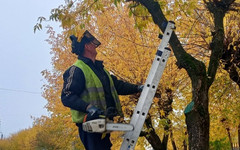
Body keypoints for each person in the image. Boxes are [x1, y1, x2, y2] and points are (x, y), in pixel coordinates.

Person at [61, 30, 143, 150]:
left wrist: (137, 88)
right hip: (89, 124)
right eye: (93, 44)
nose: (95, 47)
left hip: (103, 122)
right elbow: (67, 96)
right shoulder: (77, 69)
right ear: (87, 46)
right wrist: (89, 108)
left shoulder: (100, 70)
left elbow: (117, 85)